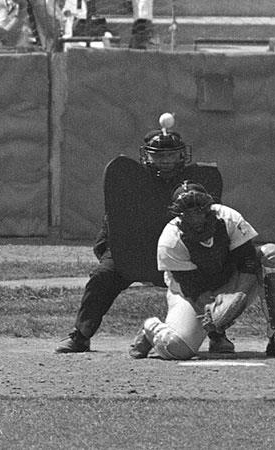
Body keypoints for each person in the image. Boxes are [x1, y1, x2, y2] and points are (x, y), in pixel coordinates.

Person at [55, 113, 223, 353]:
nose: (166, 161)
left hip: (180, 255)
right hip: (133, 251)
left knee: (211, 278)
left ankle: (218, 334)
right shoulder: (129, 182)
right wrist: (114, 257)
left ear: (182, 155)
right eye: (159, 156)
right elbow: (113, 228)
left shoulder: (195, 184)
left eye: (172, 155)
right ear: (147, 156)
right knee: (103, 276)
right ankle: (80, 335)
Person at [128, 181, 275, 359]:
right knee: (176, 348)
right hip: (190, 294)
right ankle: (151, 328)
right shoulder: (170, 240)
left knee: (273, 256)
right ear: (178, 215)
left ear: (210, 208)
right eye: (188, 213)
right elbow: (191, 287)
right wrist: (214, 317)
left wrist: (239, 296)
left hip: (231, 280)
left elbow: (248, 259)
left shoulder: (229, 218)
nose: (196, 218)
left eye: (199, 210)